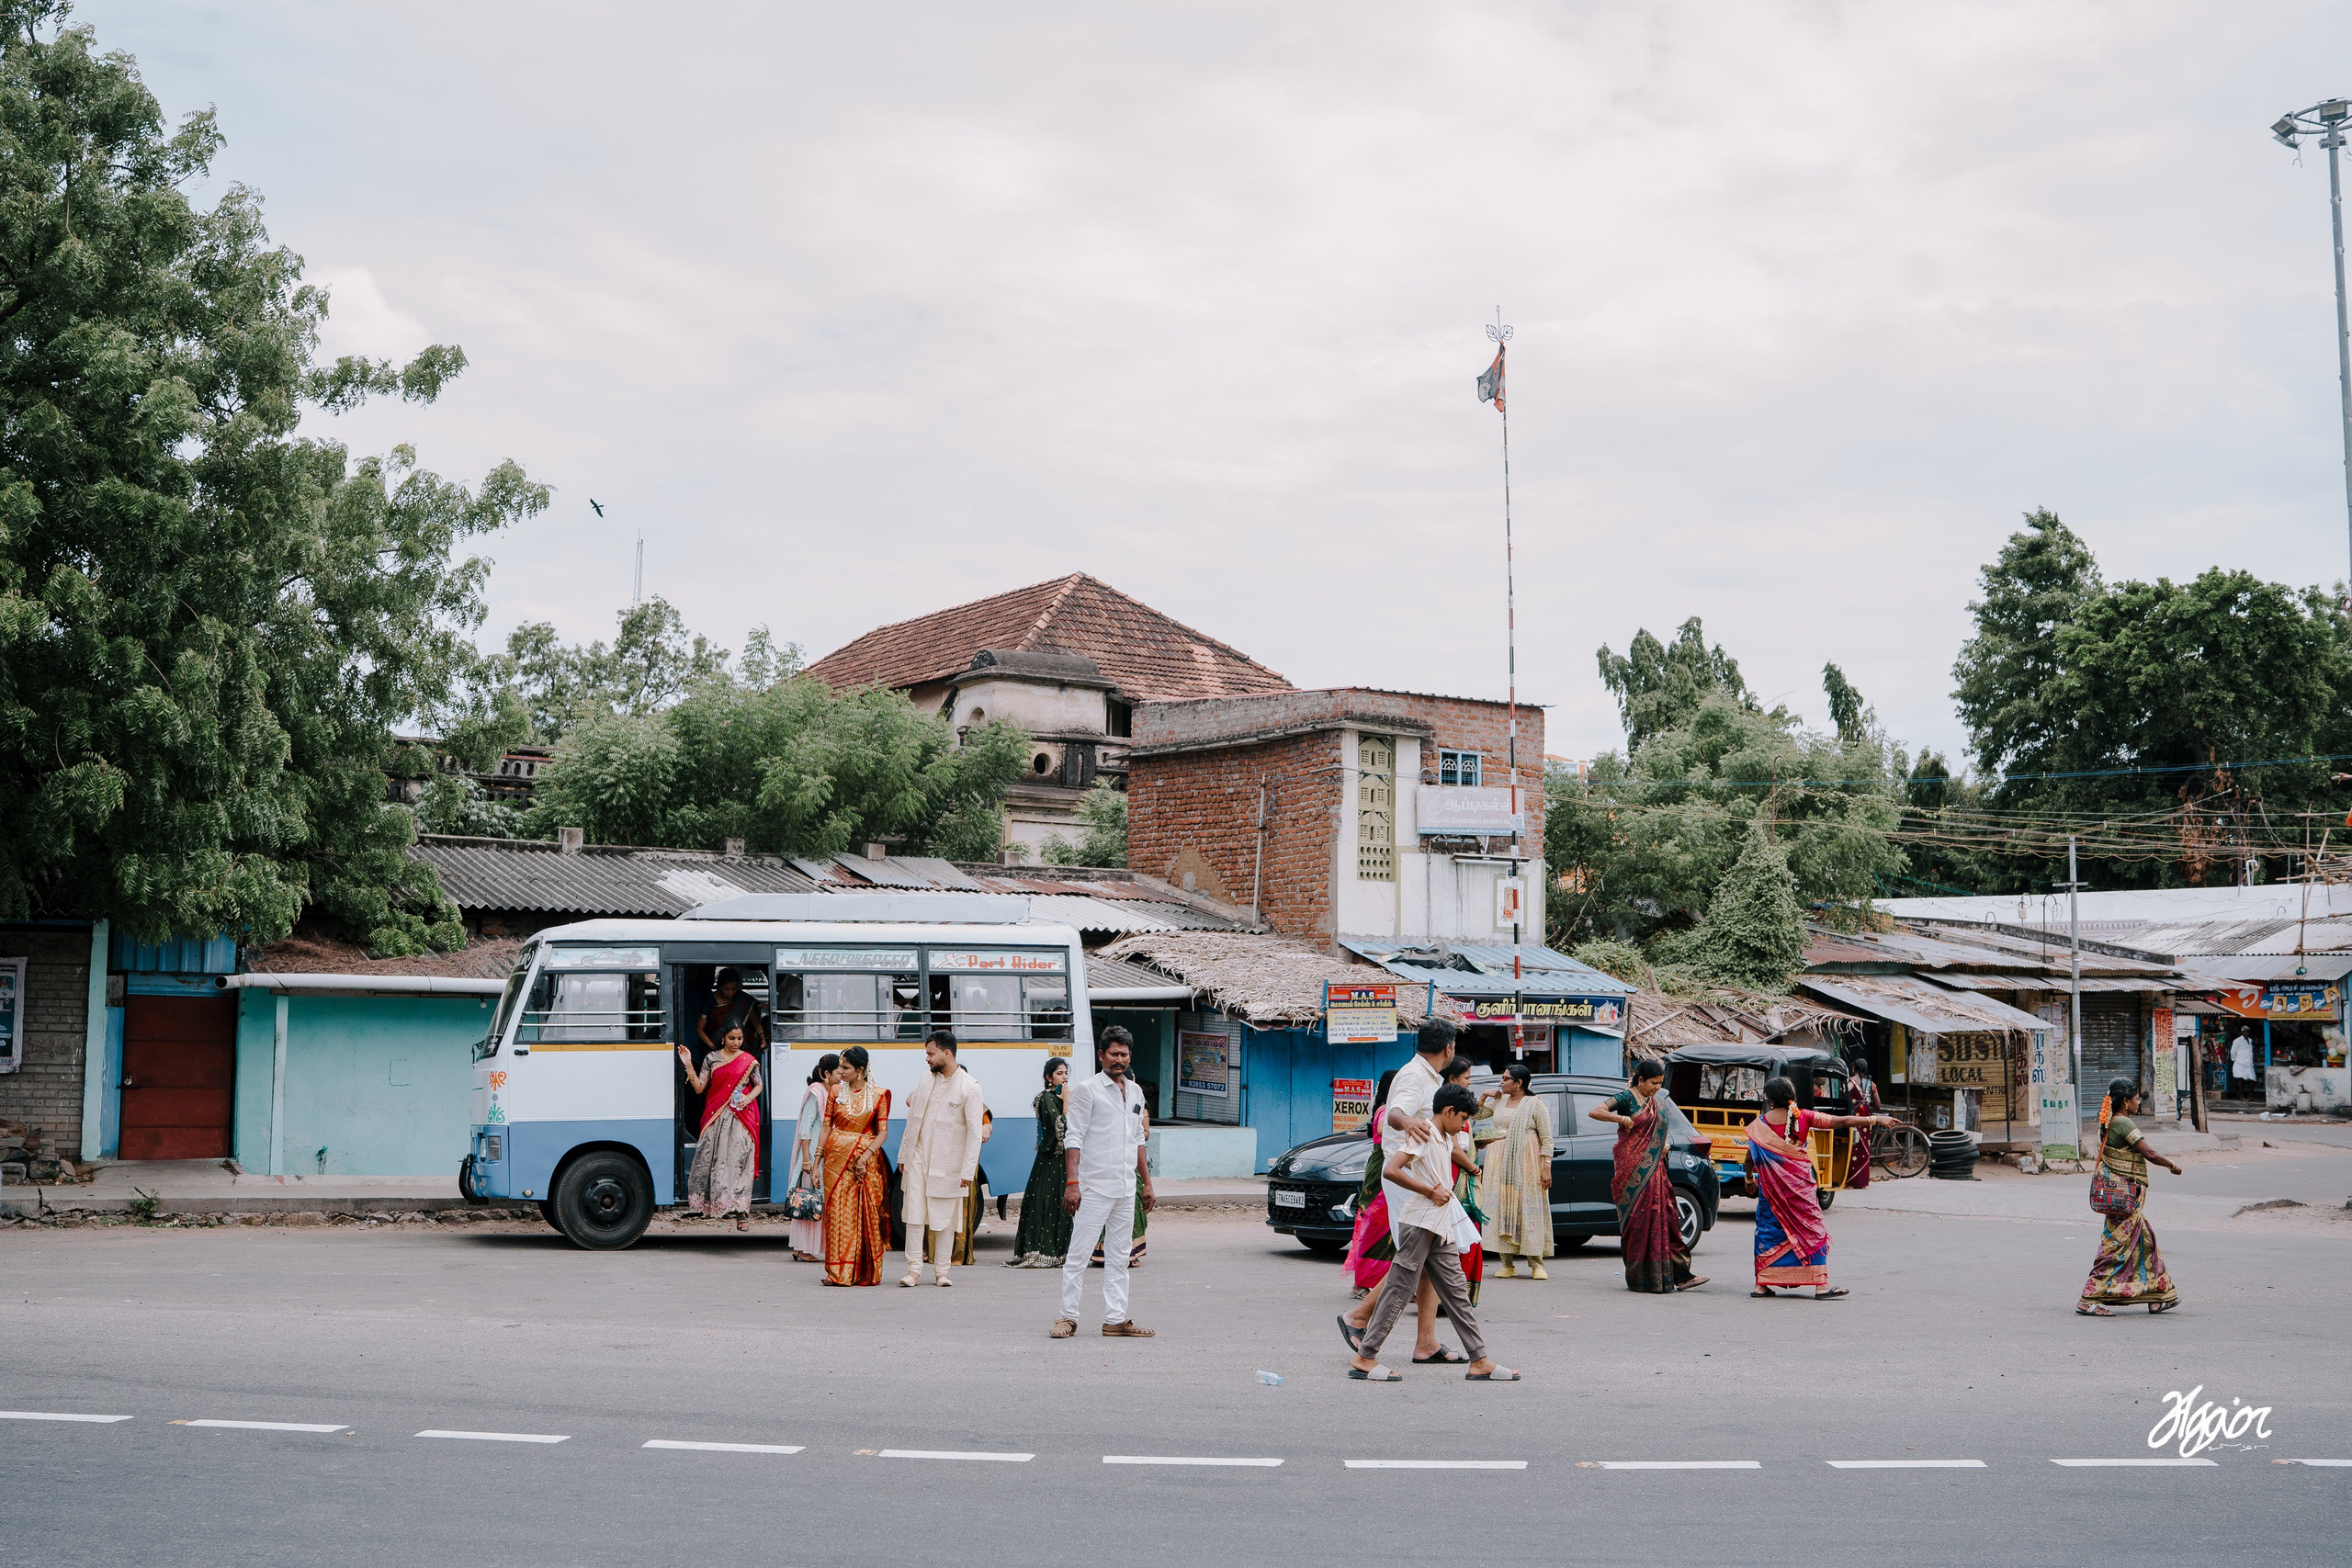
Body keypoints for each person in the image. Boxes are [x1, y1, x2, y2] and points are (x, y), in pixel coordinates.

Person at [1346, 1084, 1519, 1383]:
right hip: (1420, 1224)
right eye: (1462, 1117)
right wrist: (1429, 1190)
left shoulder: (1444, 1136)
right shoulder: (1424, 1133)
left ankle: (1480, 1360)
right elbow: (1392, 1170)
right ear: (1449, 1111)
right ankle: (1365, 1358)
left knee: (1455, 1293)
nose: (1463, 1125)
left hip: (1440, 1224)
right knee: (1398, 1291)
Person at [1340, 1022, 1464, 1362]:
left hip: (1428, 1179)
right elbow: (1394, 1114)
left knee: (1428, 1257)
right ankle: (1359, 1317)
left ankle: (1426, 1342)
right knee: (1415, 1258)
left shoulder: (1429, 1077)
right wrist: (1406, 1122)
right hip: (1410, 1180)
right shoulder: (1413, 1077)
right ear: (1449, 1049)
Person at [1745, 1076, 1893, 1300]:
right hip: (1800, 1191)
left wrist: (1748, 1179)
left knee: (1768, 1231)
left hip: (1770, 1193)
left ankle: (1762, 1285)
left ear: (1769, 1100)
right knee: (1812, 1231)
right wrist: (1875, 1119)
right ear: (1792, 1098)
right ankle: (1820, 1285)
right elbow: (1842, 1121)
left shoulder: (1758, 1127)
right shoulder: (1804, 1117)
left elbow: (1750, 1158)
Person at [1053, 1027, 1155, 1338]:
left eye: (1124, 1054)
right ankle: (1067, 1318)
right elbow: (1074, 1137)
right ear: (1101, 1055)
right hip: (1094, 1187)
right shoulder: (1087, 1090)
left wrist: (1147, 1184)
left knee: (1120, 1257)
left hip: (1125, 1189)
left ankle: (1115, 1319)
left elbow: (1138, 1139)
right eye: (1113, 1053)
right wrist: (1073, 1183)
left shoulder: (1135, 1092)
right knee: (1079, 1255)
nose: (1119, 1059)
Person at [1590, 1058, 1707, 1293]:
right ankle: (1640, 1279)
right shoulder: (1626, 1098)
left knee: (1667, 1219)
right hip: (1632, 1170)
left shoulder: (1657, 1102)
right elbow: (1596, 1111)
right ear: (1640, 1080)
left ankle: (1680, 1276)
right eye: (1653, 1083)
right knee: (1640, 1221)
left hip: (1656, 1169)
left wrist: (1663, 1144)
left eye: (1660, 1083)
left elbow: (1660, 1130)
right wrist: (1622, 1119)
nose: (1657, 1087)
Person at [2078, 1077, 2183, 1316]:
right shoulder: (2123, 1123)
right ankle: (2088, 1299)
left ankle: (2157, 1296)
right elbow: (2150, 1152)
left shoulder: (2108, 1121)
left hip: (2122, 1198)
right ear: (2125, 1101)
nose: (2139, 1103)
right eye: (2136, 1099)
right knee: (2114, 1248)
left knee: (2147, 1243)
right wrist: (2171, 1165)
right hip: (2123, 1199)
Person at [899, 1029, 986, 1287]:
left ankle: (942, 1272)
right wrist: (904, 1155)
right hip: (917, 1160)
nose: (927, 1058)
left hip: (948, 1164)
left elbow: (974, 1134)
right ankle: (913, 1270)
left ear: (946, 1053)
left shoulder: (970, 1087)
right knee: (913, 1216)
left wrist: (967, 1171)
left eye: (930, 1053)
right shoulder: (926, 1079)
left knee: (944, 1219)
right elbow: (912, 1120)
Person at [676, 1025, 762, 1231]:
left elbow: (758, 1084)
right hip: (715, 1116)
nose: (736, 1042)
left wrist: (748, 1098)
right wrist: (688, 1063)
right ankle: (715, 1205)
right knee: (714, 1161)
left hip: (741, 1117)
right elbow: (699, 1088)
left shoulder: (749, 1060)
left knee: (739, 1161)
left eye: (740, 1038)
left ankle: (742, 1213)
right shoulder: (711, 1059)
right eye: (732, 1038)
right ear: (722, 1037)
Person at [820, 1046, 891, 1286]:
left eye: (846, 1067)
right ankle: (837, 1272)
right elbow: (826, 1126)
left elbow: (883, 1133)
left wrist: (864, 1157)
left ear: (860, 1070)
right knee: (837, 1215)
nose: (840, 1071)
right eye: (840, 1067)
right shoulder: (835, 1092)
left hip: (865, 1163)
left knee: (864, 1215)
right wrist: (817, 1157)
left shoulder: (879, 1095)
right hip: (835, 1162)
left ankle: (862, 1271)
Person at [1483, 1063, 1555, 1278]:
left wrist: (1546, 1168)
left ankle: (1536, 1264)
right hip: (1499, 1162)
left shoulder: (1535, 1104)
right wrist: (1484, 1096)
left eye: (1506, 1079)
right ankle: (1507, 1264)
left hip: (1528, 1163)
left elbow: (1547, 1139)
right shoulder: (1499, 1101)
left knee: (1528, 1207)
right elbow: (1475, 1115)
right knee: (1501, 1207)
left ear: (1519, 1083)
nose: (1501, 1082)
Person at [1009, 1057, 1075, 1268]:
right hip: (1050, 1161)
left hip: (1062, 1161)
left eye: (1066, 1073)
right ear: (1048, 1077)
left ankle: (1059, 1253)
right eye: (1059, 1073)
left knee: (1059, 1205)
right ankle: (1041, 1252)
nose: (1064, 1078)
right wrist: (1066, 1105)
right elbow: (1059, 1132)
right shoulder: (1047, 1099)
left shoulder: (1056, 1097)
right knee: (1046, 1204)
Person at [1340, 1069, 1399, 1301]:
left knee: (1388, 1228)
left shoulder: (1390, 1109)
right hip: (1382, 1172)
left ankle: (1380, 1281)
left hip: (1388, 1166)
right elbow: (1385, 1131)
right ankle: (1364, 1282)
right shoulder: (1386, 1110)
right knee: (1376, 1226)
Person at [786, 1053, 841, 1260]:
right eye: (838, 1072)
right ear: (827, 1073)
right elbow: (805, 1130)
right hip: (810, 1158)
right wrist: (808, 1161)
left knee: (816, 1201)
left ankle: (804, 1247)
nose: (842, 1076)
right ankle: (802, 1249)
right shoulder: (815, 1093)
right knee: (808, 1200)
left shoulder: (829, 1093)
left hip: (822, 1156)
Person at [952, 1107, 995, 1266]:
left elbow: (986, 1124)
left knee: (962, 1205)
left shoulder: (970, 1092)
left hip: (963, 1159)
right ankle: (933, 1251)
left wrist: (986, 1126)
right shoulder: (937, 1089)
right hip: (941, 1157)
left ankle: (958, 1252)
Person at [1842, 1050, 1879, 1191]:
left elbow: (1845, 1100)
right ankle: (1862, 1181)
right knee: (1864, 1148)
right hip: (1866, 1118)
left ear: (1853, 1069)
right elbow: (1878, 1104)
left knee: (1852, 1147)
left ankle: (1850, 1181)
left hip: (1853, 1117)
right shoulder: (1871, 1084)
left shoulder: (1848, 1082)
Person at [2230, 1029, 2257, 1095]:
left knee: (2253, 1079)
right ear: (2242, 1032)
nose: (2247, 1033)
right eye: (2245, 1032)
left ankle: (2249, 1096)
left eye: (2248, 1032)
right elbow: (2233, 1052)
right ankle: (2242, 1097)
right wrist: (2234, 1059)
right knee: (2240, 1079)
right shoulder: (2237, 1041)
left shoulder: (2250, 1040)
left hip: (2249, 1063)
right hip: (2240, 1063)